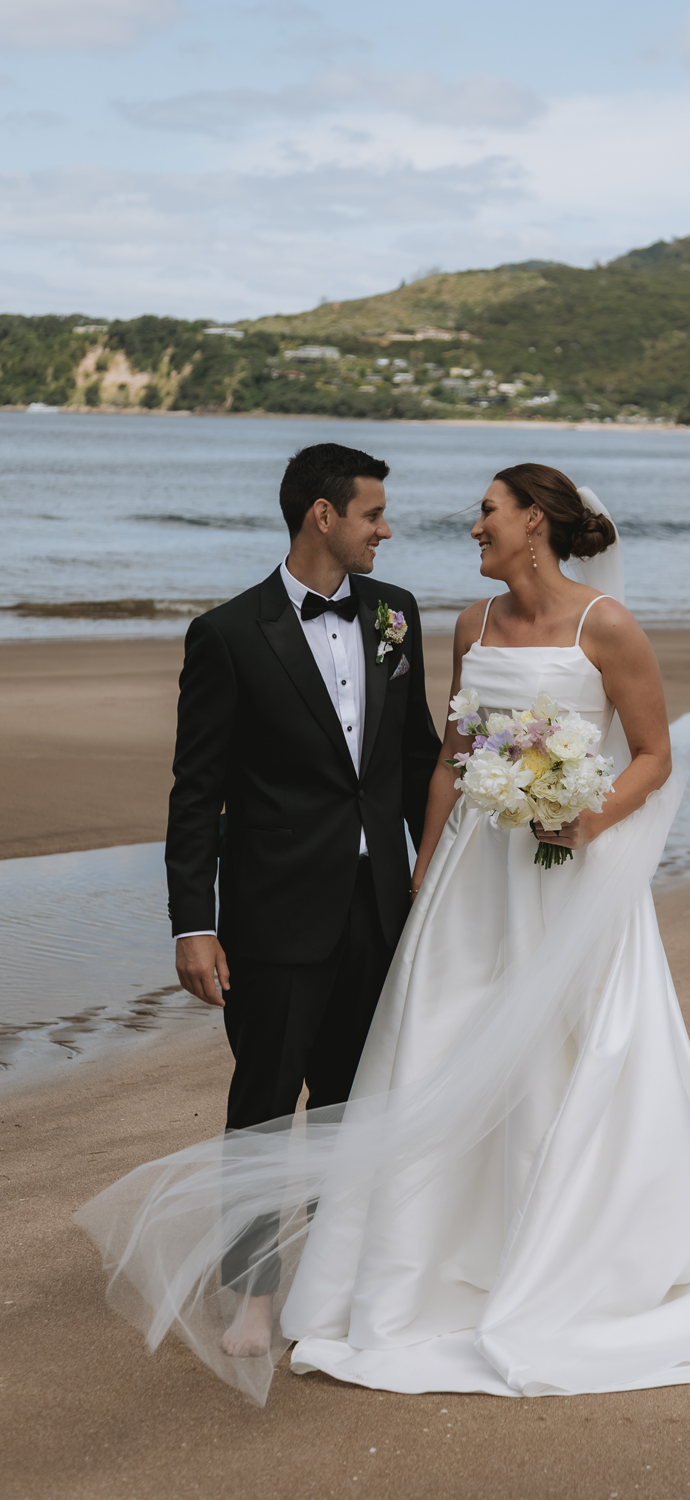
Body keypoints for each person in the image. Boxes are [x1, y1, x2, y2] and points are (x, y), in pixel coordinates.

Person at [78, 463, 690, 1404]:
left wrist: (571, 820)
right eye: (376, 514)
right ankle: (269, 1288)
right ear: (325, 516)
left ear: (535, 522)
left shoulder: (428, 615)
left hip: (531, 884)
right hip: (388, 896)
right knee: (327, 1084)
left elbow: (624, 754)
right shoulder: (350, 629)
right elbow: (420, 763)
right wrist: (382, 882)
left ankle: (498, 1253)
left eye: (485, 510)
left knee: (421, 1085)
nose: (420, 528)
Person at [163, 441, 440, 1358]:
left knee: (357, 1110)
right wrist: (193, 923)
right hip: (274, 916)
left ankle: (332, 1283)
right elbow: (196, 791)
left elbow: (415, 761)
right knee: (265, 1108)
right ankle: (249, 1300)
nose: (385, 529)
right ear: (324, 515)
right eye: (372, 514)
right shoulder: (229, 634)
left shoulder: (397, 615)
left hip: (378, 909)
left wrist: (482, 828)